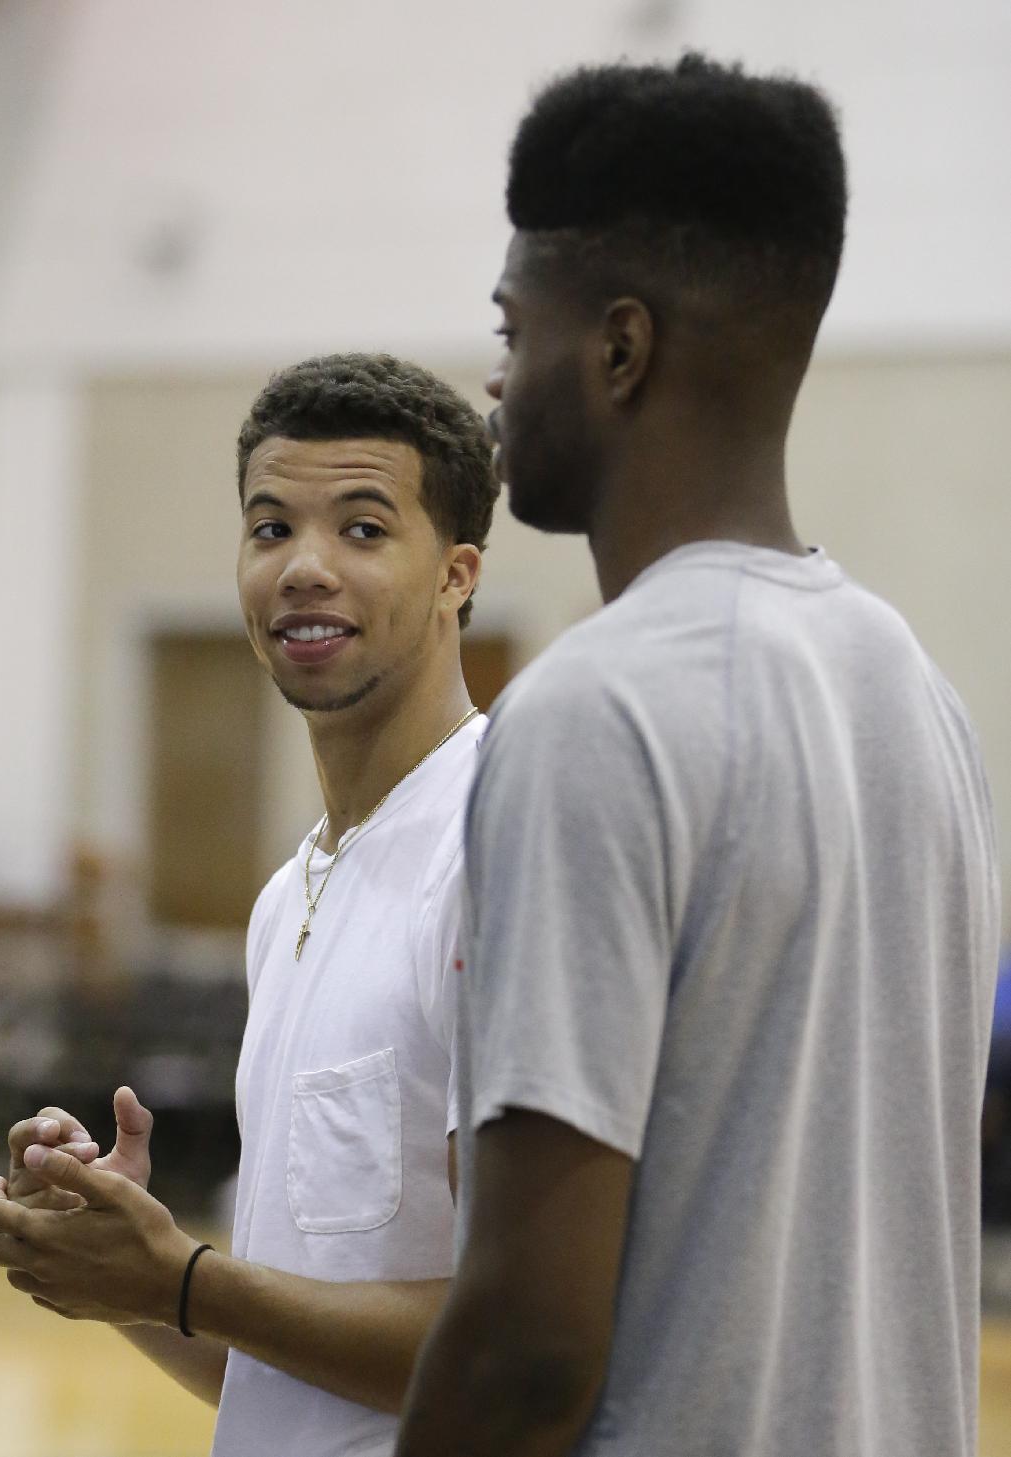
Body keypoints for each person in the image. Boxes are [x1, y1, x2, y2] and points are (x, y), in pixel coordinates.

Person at [395, 55, 1002, 1457]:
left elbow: (529, 1353)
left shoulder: (592, 710)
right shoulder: (922, 699)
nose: (494, 380)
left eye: (512, 326)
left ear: (618, 348)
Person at [0, 353, 499, 1457]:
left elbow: (509, 1347)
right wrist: (130, 1273)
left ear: (458, 574)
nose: (304, 567)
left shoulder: (499, 848)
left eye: (363, 529)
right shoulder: (288, 895)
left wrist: (186, 1278)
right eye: (270, 529)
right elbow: (290, 1376)